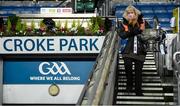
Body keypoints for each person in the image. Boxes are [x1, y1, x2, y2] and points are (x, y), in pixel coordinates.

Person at [118, 5, 146, 96]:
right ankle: (129, 85)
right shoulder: (123, 23)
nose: (130, 14)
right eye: (129, 13)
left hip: (140, 50)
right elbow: (122, 35)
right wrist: (132, 29)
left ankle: (138, 89)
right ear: (126, 14)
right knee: (128, 66)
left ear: (135, 14)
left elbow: (146, 34)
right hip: (127, 50)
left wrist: (139, 24)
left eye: (132, 13)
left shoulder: (142, 22)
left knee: (138, 71)